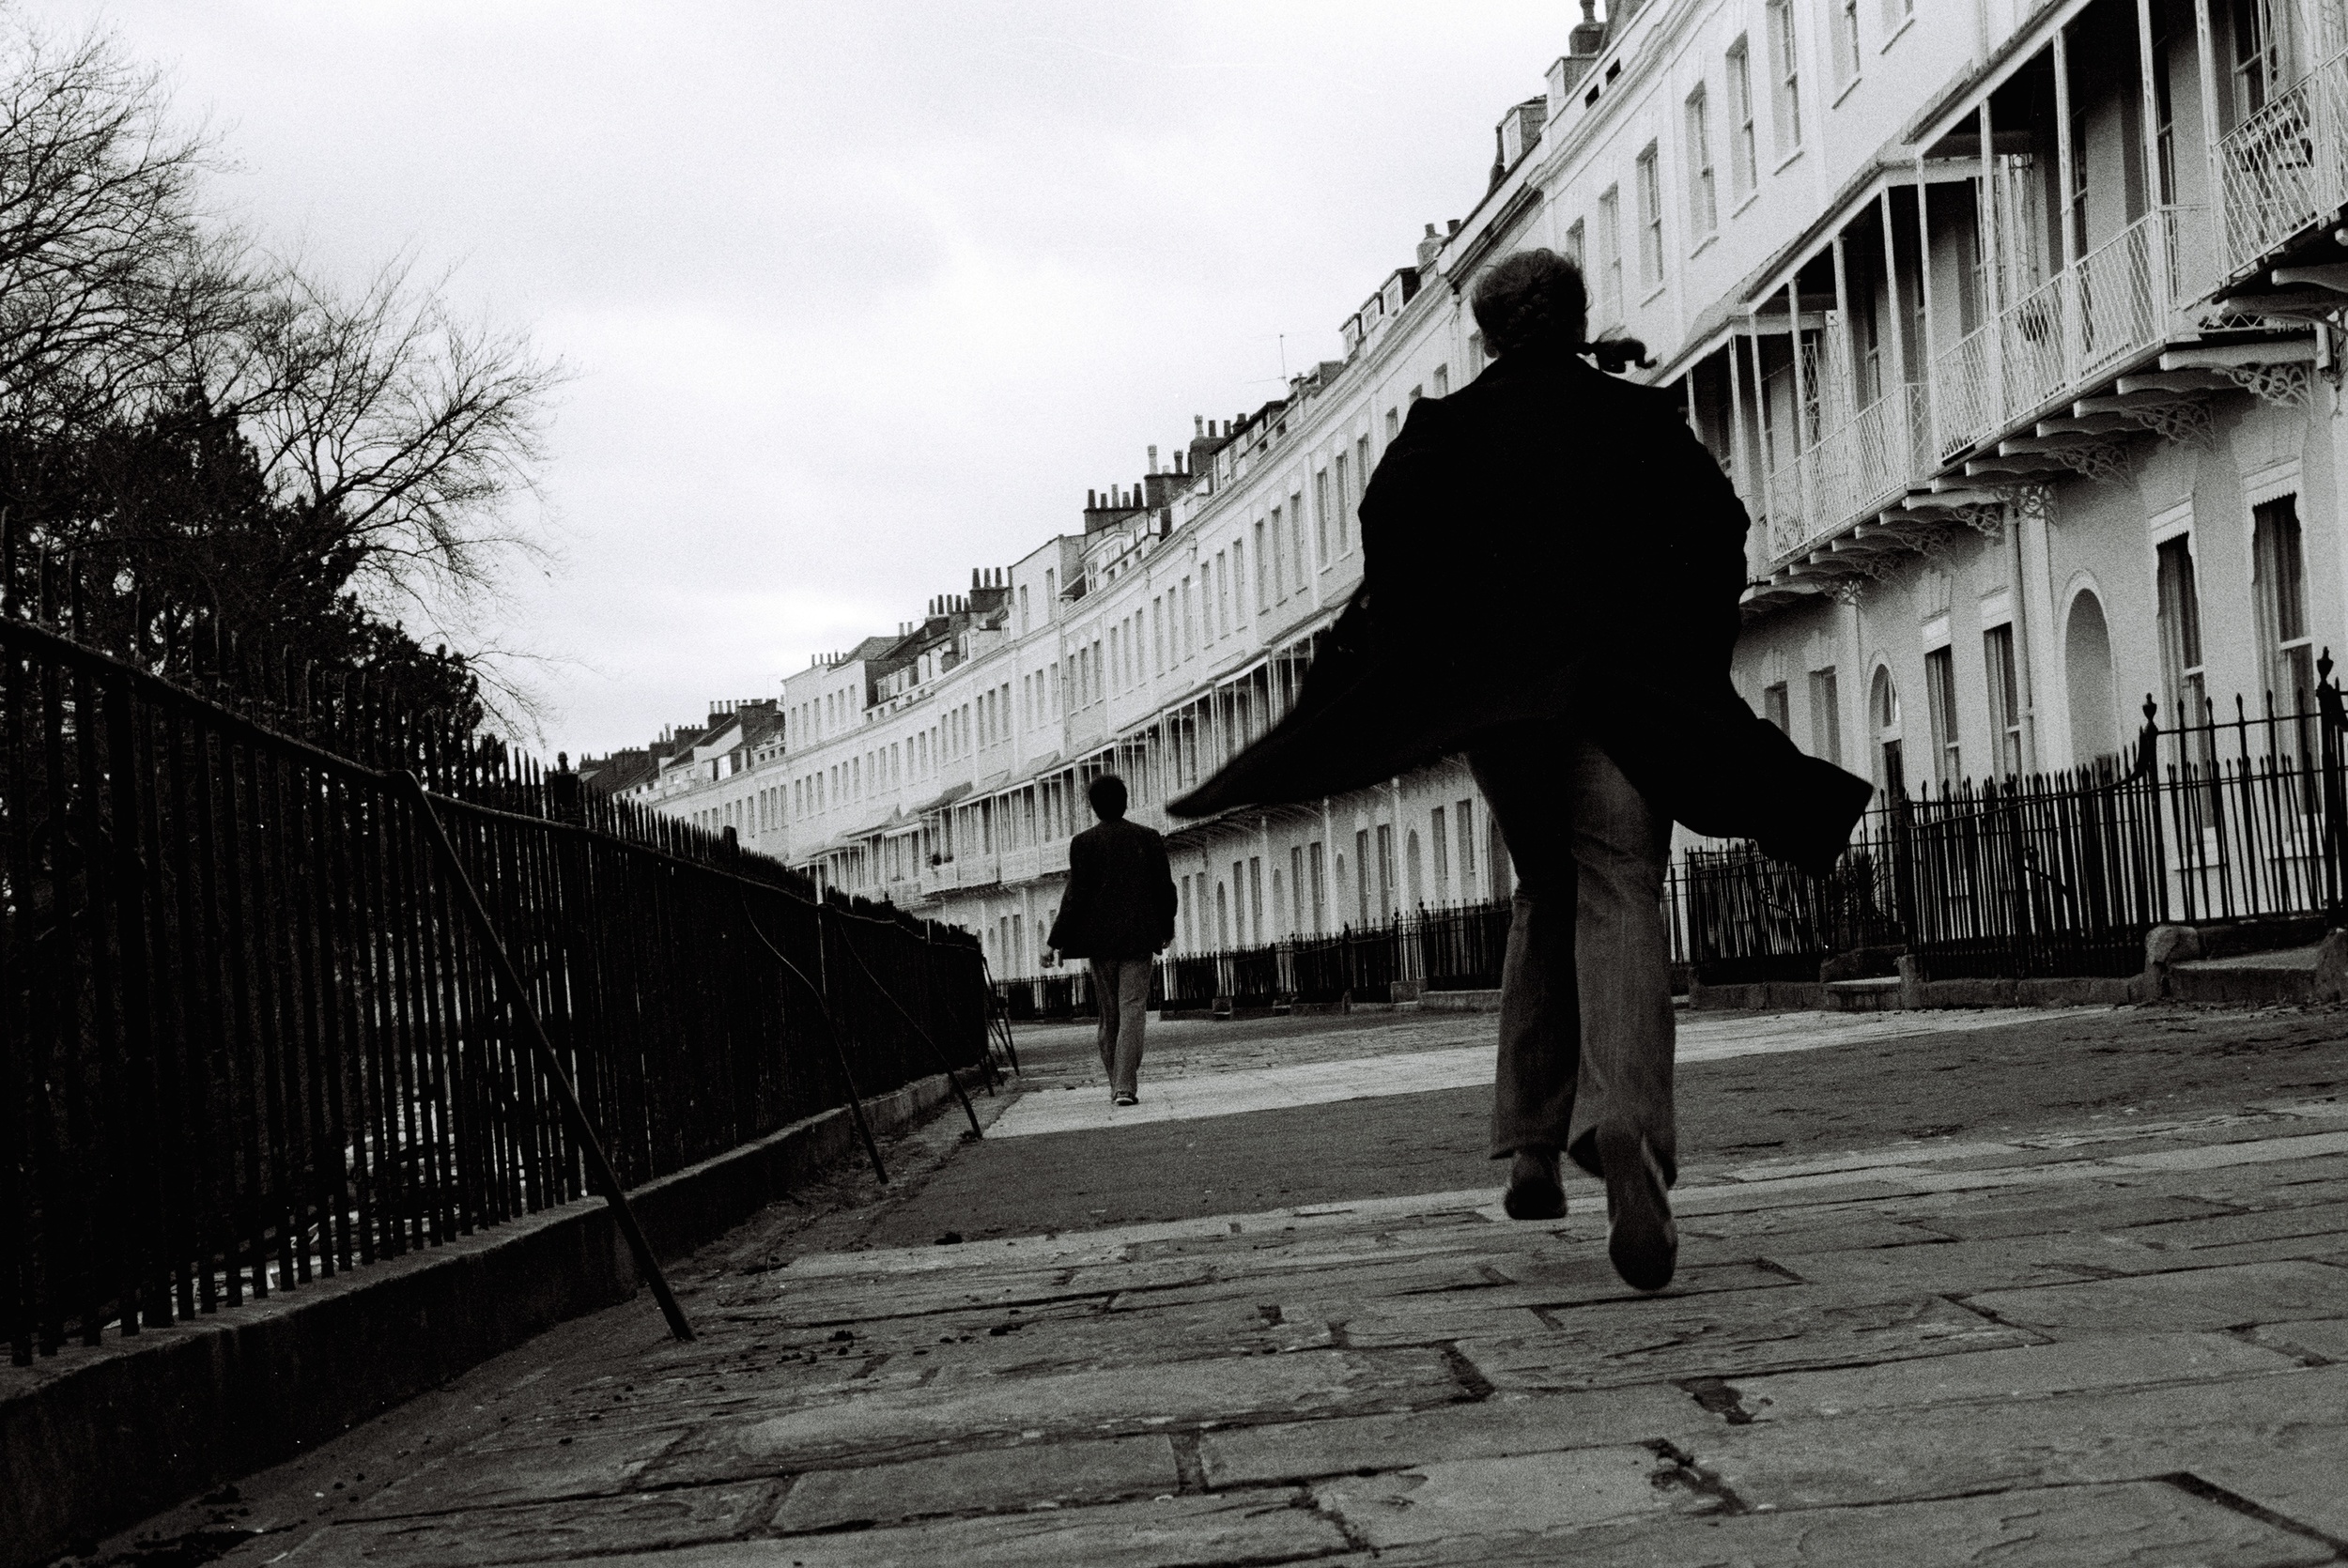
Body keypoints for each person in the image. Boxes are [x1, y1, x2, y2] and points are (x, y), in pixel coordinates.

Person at [1167, 249, 1871, 1291]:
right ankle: (1623, 1120)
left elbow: (1391, 558)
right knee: (1619, 889)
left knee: (1543, 888)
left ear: (1487, 335)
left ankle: (1533, 1147)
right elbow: (1717, 538)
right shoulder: (1638, 422)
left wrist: (1452, 671)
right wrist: (1677, 656)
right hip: (1621, 701)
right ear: (1578, 322)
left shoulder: (1441, 435)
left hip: (1507, 713)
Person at [1046, 773, 1178, 1107]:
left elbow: (1075, 896)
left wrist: (1055, 941)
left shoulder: (1084, 843)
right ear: (1125, 801)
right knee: (1132, 1011)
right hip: (1137, 939)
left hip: (1100, 944)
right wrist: (1166, 928)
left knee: (1110, 1017)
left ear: (1093, 807)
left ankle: (1118, 1084)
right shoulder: (1147, 838)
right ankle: (1123, 1085)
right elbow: (1165, 889)